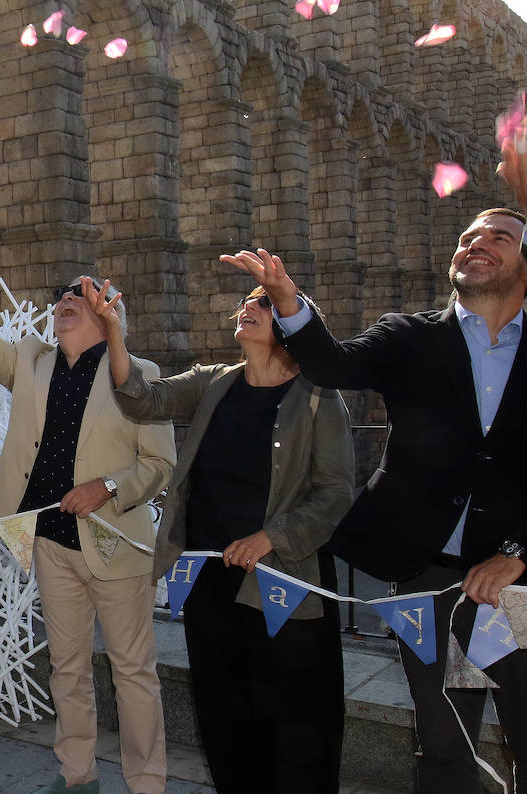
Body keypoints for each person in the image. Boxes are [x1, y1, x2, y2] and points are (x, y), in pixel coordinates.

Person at [225, 194, 527, 788]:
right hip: (428, 576)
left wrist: (517, 554)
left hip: (517, 579)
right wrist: (288, 302)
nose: (477, 243)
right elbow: (334, 365)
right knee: (444, 743)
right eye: (470, 236)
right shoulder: (409, 336)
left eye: (500, 237)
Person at [0, 210, 176, 794]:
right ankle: (77, 776)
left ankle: (148, 785)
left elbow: (160, 466)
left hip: (116, 545)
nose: (63, 301)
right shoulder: (31, 363)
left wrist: (108, 487)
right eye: (59, 296)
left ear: (108, 313)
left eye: (79, 297)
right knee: (67, 670)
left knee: (133, 673)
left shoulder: (140, 374)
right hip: (50, 544)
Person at [91, 279, 355, 793]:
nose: (246, 309)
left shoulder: (319, 394)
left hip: (284, 581)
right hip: (210, 577)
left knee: (296, 718)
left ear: (287, 323)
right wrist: (114, 332)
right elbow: (143, 399)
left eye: (262, 304)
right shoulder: (216, 382)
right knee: (224, 713)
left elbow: (336, 492)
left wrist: (272, 537)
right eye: (246, 302)